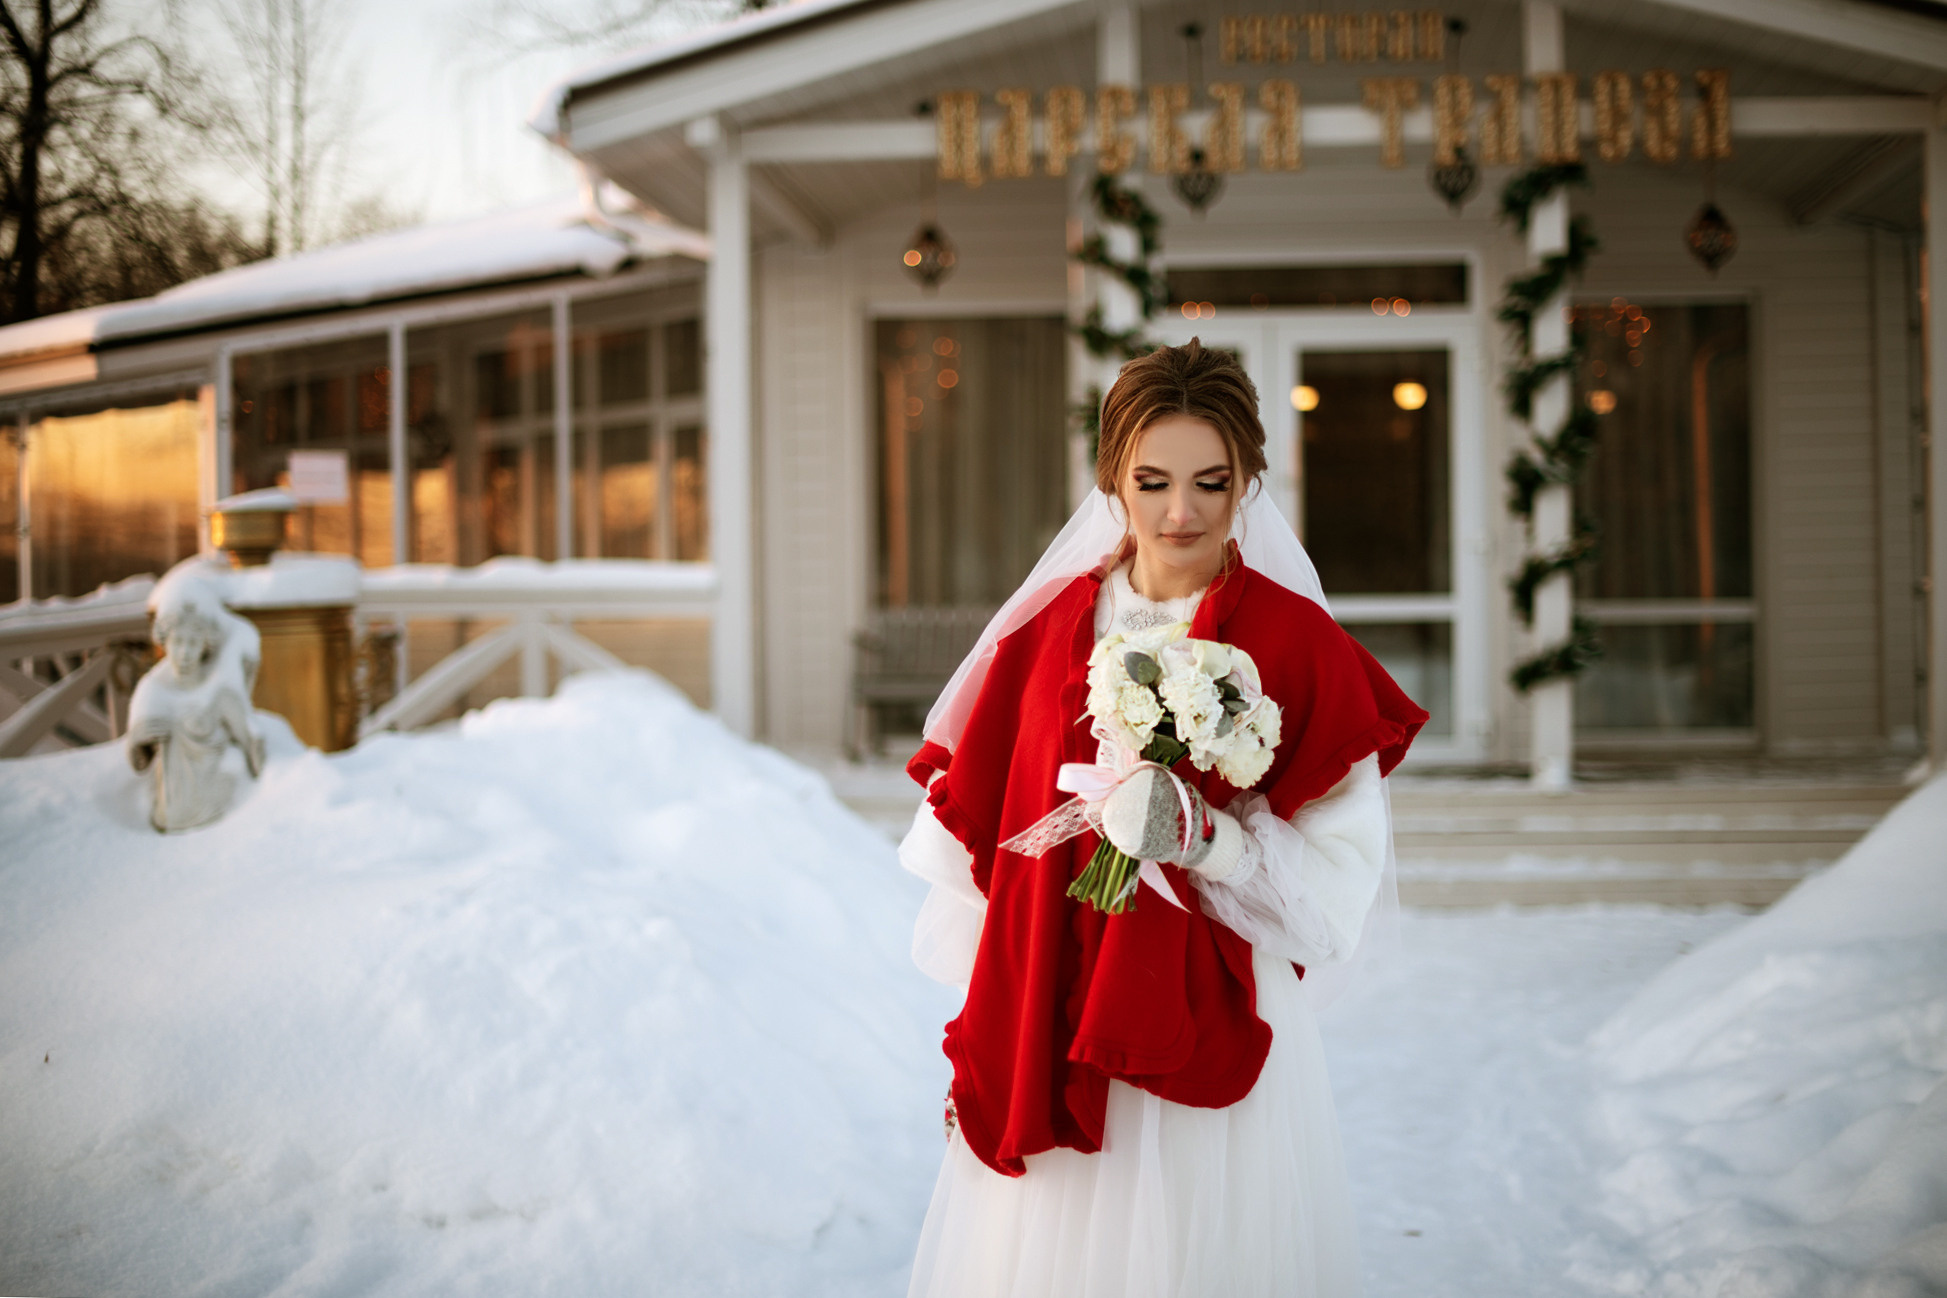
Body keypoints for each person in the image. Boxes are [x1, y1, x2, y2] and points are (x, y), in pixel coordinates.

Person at [899, 339, 1428, 1298]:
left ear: (1246, 485)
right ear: (1112, 480)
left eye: (1210, 482)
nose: (1179, 513)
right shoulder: (1041, 635)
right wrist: (995, 1026)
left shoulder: (1295, 645)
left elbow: (1328, 902)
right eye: (1151, 481)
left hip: (1210, 1020)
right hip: (1054, 1012)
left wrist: (1206, 839)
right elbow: (985, 869)